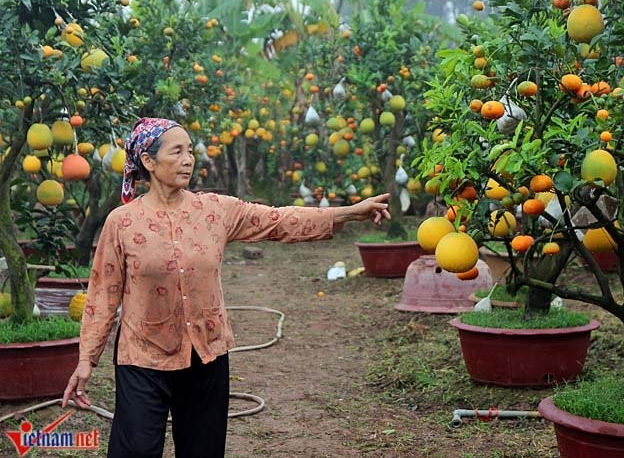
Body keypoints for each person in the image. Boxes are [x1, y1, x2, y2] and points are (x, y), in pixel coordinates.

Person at [61, 117, 391, 458]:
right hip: (143, 358)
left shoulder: (214, 211)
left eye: (190, 151)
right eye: (177, 151)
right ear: (148, 161)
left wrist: (350, 213)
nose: (189, 159)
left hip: (206, 354)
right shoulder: (122, 223)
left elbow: (278, 220)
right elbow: (102, 295)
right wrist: (87, 360)